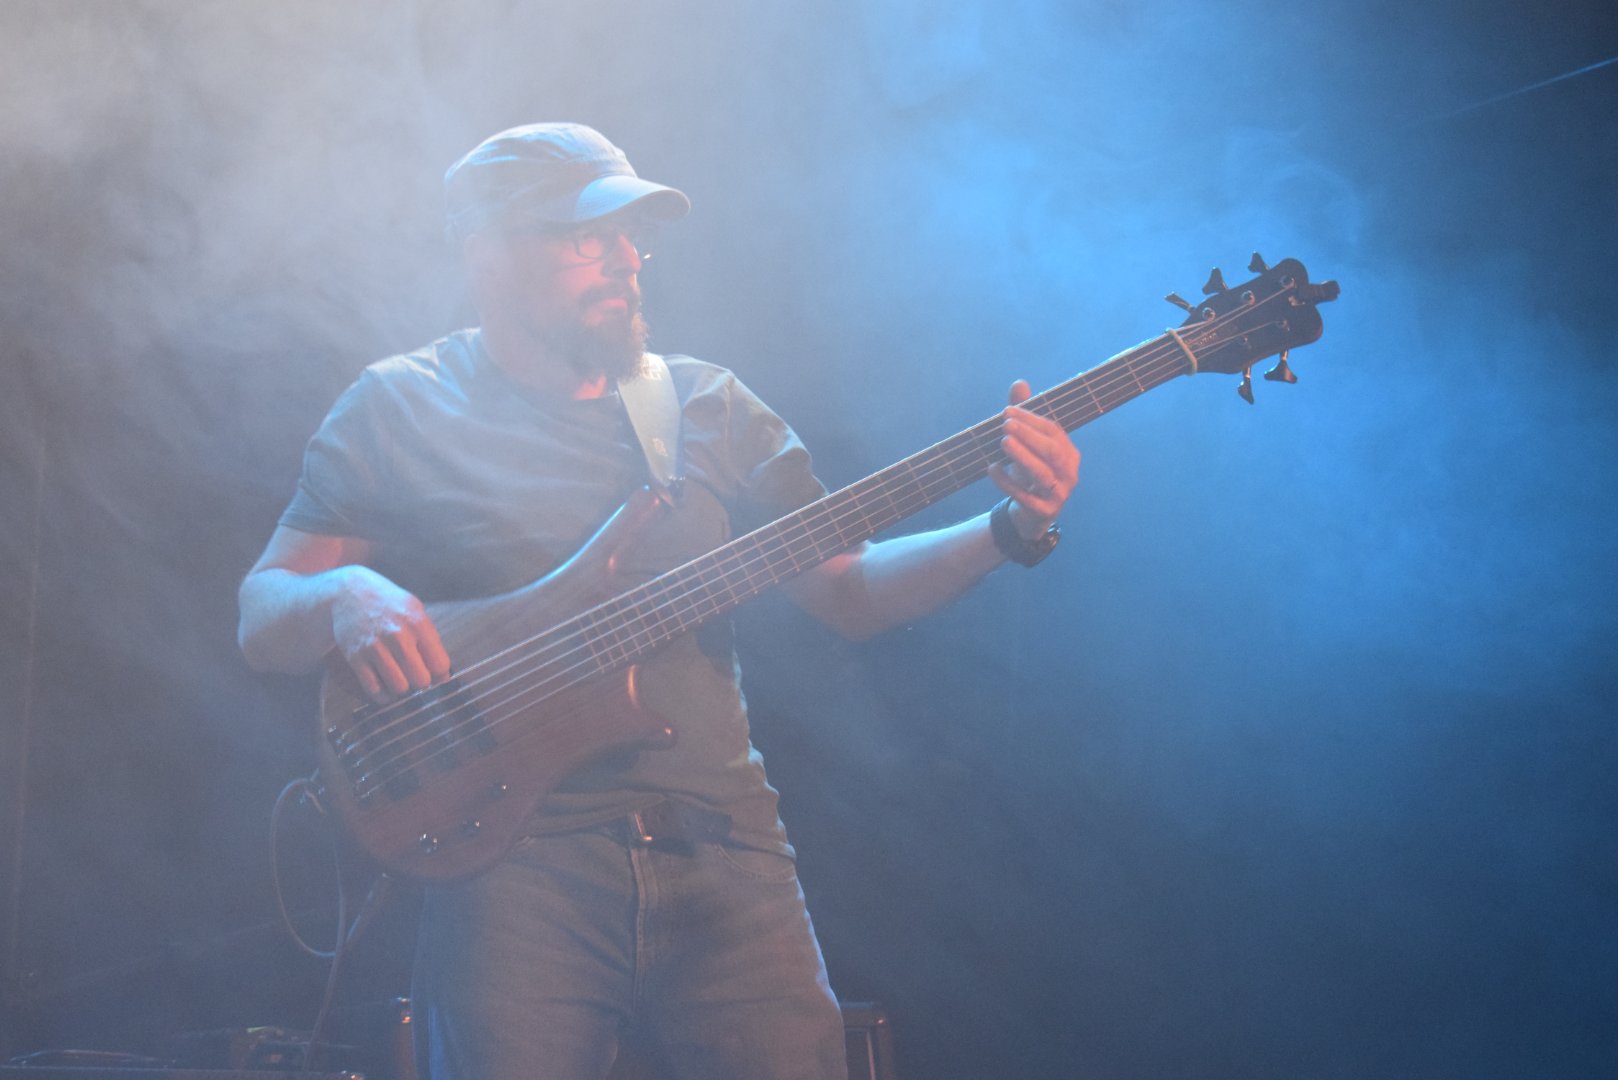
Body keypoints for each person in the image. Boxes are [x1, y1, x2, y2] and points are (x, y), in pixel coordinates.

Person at [237, 122, 1079, 1080]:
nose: (627, 262)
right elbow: (264, 610)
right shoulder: (399, 405)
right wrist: (344, 593)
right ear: (487, 253)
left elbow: (849, 587)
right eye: (587, 238)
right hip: (516, 872)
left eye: (632, 236)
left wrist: (1005, 531)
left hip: (724, 852)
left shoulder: (707, 406)